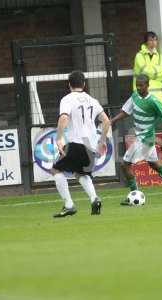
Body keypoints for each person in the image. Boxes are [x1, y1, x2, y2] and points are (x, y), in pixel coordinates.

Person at [111, 74, 162, 203]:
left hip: (144, 138)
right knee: (154, 164)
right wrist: (113, 120)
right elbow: (126, 112)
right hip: (144, 137)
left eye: (141, 86)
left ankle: (133, 195)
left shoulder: (153, 102)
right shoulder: (134, 96)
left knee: (125, 164)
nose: (139, 88)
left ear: (148, 86)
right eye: (137, 85)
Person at [52, 71, 110, 218]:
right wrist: (102, 141)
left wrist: (59, 138)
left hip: (76, 143)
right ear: (84, 84)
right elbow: (106, 121)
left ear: (69, 84)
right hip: (90, 145)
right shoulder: (92, 100)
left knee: (56, 170)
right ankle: (94, 199)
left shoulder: (67, 99)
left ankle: (69, 205)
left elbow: (64, 118)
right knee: (80, 173)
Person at [133, 31, 162, 106]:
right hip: (142, 93)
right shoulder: (139, 55)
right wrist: (156, 73)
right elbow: (144, 72)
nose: (153, 42)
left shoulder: (160, 56)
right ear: (146, 42)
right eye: (151, 40)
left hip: (158, 96)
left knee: (158, 116)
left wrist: (151, 72)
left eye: (155, 40)